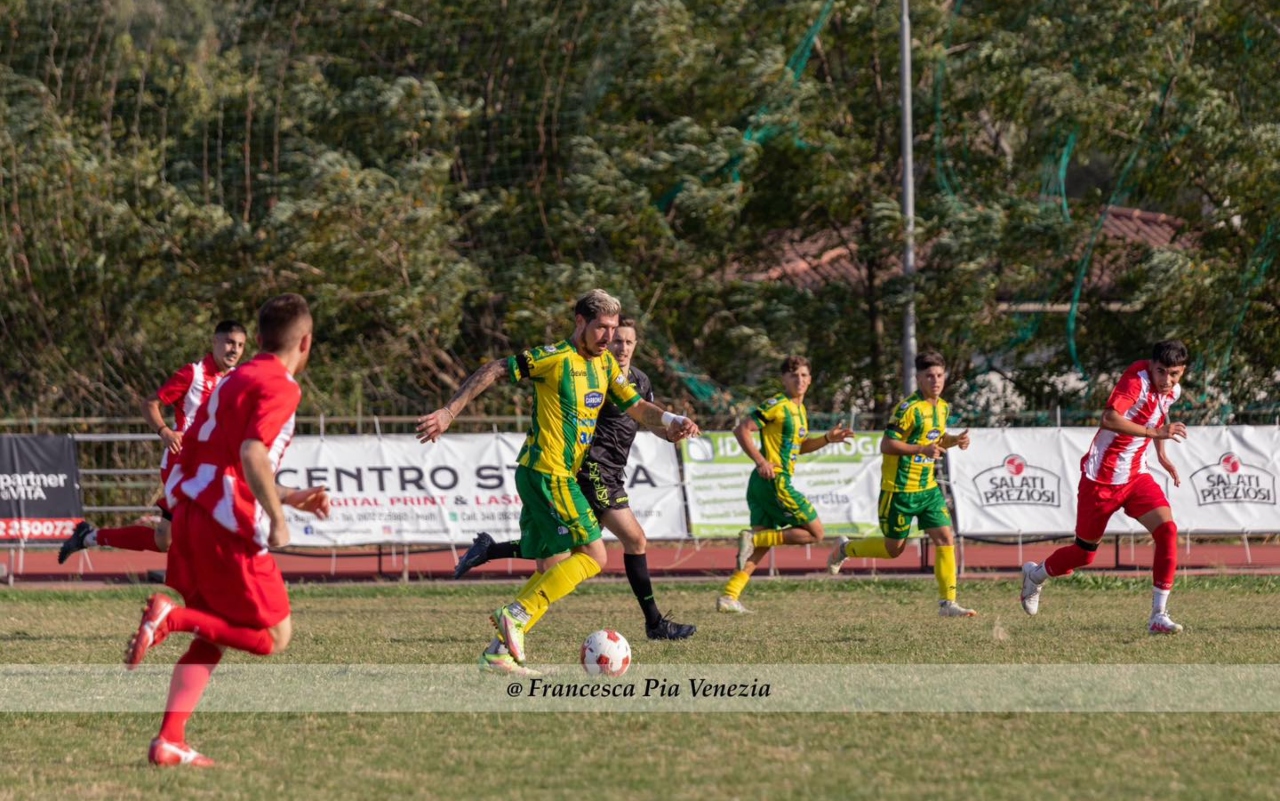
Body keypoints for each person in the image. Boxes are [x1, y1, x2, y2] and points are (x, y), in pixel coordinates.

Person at [416, 290, 699, 675]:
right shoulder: (554, 358)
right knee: (594, 556)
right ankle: (514, 614)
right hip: (549, 473)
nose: (608, 337)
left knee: (551, 564)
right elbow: (496, 368)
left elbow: (637, 406)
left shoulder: (605, 368)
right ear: (580, 322)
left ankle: (499, 652)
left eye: (614, 329)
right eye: (601, 328)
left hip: (546, 476)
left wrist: (671, 421)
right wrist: (450, 412)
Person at [122, 294, 331, 767]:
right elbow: (253, 454)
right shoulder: (283, 385)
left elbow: (224, 454)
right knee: (275, 637)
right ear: (306, 342)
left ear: (256, 340)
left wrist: (291, 497)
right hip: (226, 522)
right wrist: (279, 521)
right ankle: (170, 619)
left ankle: (169, 740)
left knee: (215, 634)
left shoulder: (231, 379)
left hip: (193, 514)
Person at [1019, 340, 1189, 634]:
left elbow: (1158, 417)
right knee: (1084, 554)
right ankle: (1035, 575)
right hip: (1102, 479)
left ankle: (1158, 615)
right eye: (1161, 372)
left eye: (1173, 373)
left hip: (1136, 476)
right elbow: (1109, 418)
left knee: (1167, 530)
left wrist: (1161, 455)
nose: (1167, 380)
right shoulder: (1136, 381)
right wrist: (1153, 433)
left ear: (1182, 371)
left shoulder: (1172, 390)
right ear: (1151, 366)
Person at [58, 321, 248, 562]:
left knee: (163, 540)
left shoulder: (236, 379)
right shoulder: (194, 373)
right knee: (206, 525)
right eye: (230, 342)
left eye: (240, 345)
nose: (234, 349)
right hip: (182, 465)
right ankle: (208, 586)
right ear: (215, 342)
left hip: (210, 466)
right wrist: (165, 431)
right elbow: (150, 403)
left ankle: (89, 536)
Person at [826, 350, 977, 618]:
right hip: (899, 490)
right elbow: (887, 444)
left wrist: (954, 440)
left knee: (945, 537)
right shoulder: (908, 408)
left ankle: (948, 603)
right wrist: (921, 449)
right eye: (929, 376)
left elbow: (936, 438)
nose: (935, 380)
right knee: (893, 550)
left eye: (939, 375)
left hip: (927, 489)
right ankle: (845, 549)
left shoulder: (942, 407)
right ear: (918, 378)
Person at [716, 355, 854, 613]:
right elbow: (741, 429)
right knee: (816, 533)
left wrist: (826, 438)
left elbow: (798, 447)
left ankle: (729, 595)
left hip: (763, 483)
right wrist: (760, 461)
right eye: (793, 375)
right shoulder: (777, 405)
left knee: (760, 546)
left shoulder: (799, 411)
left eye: (803, 375)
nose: (799, 380)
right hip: (773, 479)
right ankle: (753, 539)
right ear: (784, 379)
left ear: (810, 379)